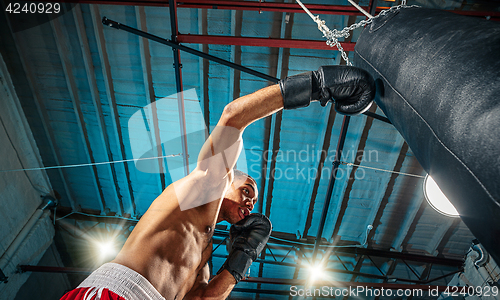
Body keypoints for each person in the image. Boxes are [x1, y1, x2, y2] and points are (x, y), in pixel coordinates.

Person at [59, 66, 375, 300]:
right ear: (227, 179)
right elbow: (234, 115)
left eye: (254, 198)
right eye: (247, 189)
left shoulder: (205, 250)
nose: (252, 202)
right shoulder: (202, 186)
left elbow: (204, 299)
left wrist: (243, 256)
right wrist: (318, 84)